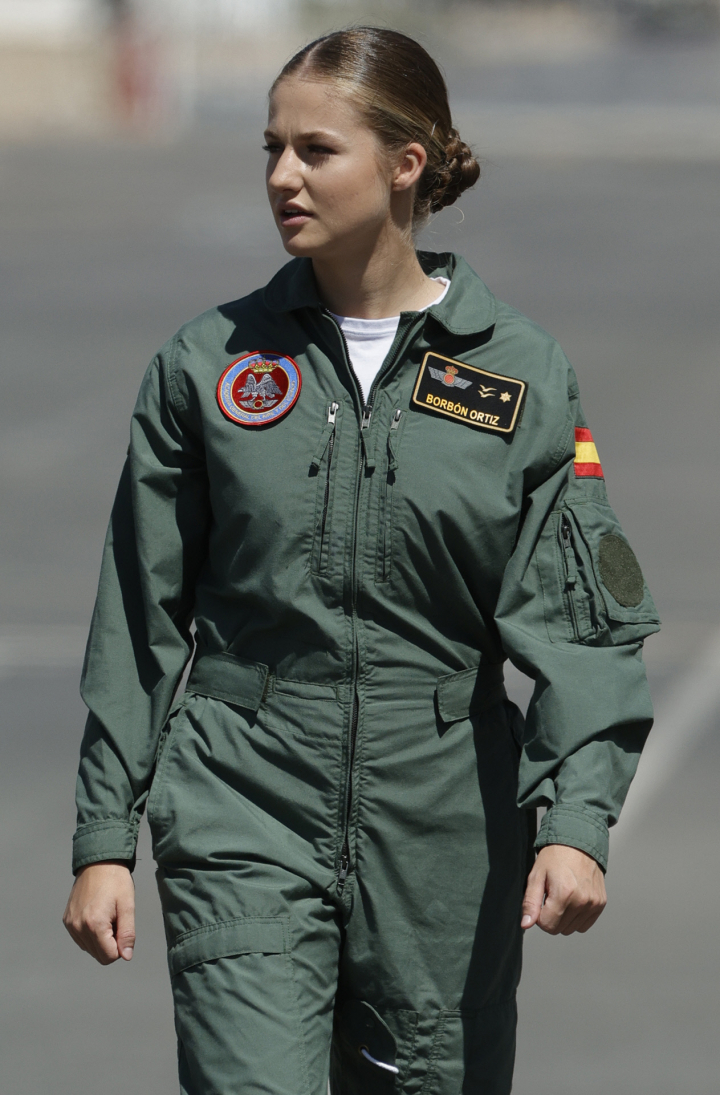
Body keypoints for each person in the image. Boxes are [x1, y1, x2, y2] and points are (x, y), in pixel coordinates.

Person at [63, 26, 660, 1095]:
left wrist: (578, 822)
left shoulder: (520, 376)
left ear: (405, 164)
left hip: (444, 827)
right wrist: (106, 835)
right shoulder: (207, 366)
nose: (281, 176)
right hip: (243, 796)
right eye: (272, 147)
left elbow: (579, 622)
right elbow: (139, 615)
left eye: (316, 149)